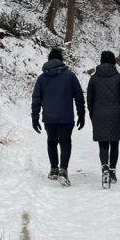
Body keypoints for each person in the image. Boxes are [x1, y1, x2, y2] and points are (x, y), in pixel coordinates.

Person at [31, 48, 85, 186]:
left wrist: (35, 117)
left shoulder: (42, 78)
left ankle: (54, 169)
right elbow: (79, 97)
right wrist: (81, 114)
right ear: (61, 60)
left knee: (52, 141)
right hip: (66, 117)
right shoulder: (70, 76)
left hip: (49, 117)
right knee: (65, 142)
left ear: (49, 60)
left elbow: (36, 98)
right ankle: (63, 170)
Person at [87, 50, 120, 186]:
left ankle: (104, 167)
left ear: (101, 61)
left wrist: (92, 115)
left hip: (99, 115)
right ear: (113, 62)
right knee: (114, 144)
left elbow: (89, 100)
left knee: (103, 144)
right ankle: (112, 172)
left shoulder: (93, 78)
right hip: (116, 114)